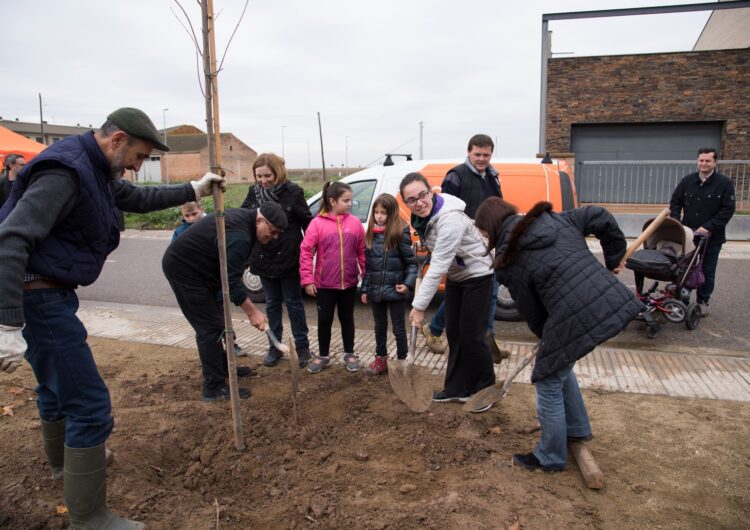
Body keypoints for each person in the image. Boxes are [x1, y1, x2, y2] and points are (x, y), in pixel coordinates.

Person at [0, 107, 224, 528]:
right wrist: (7, 322)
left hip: (50, 294)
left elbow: (137, 199)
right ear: (117, 139)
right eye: (139, 156)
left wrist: (192, 188)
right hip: (36, 298)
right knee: (90, 405)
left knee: (55, 388)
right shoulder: (65, 172)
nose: (139, 167)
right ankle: (90, 518)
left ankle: (64, 467)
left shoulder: (96, 170)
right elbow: (11, 236)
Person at [474, 197, 648, 471]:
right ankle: (576, 430)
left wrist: (546, 338)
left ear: (492, 228)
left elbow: (530, 310)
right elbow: (598, 215)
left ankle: (550, 456)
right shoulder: (553, 219)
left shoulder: (509, 260)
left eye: (483, 232)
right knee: (559, 368)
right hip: (606, 301)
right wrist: (613, 255)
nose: (484, 238)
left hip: (572, 315)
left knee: (547, 378)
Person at [162, 203, 286, 400]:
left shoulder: (246, 221)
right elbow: (231, 278)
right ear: (261, 221)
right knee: (208, 328)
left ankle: (223, 368)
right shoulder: (241, 235)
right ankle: (214, 387)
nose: (274, 237)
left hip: (202, 272)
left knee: (217, 323)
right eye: (273, 231)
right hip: (185, 271)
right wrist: (252, 312)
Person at [401, 172, 495, 410]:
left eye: (422, 195)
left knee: (473, 335)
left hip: (478, 275)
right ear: (406, 202)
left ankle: (485, 390)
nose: (419, 202)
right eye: (411, 200)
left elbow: (439, 266)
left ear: (431, 192)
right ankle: (457, 388)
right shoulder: (423, 218)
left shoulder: (450, 219)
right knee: (454, 333)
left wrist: (418, 306)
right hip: (457, 275)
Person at [422, 134, 504, 360]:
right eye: (477, 154)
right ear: (469, 152)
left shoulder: (492, 177)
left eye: (486, 155)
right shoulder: (456, 177)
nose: (481, 158)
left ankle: (486, 339)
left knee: (489, 294)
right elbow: (445, 211)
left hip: (489, 244)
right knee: (471, 294)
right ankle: (442, 330)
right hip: (466, 247)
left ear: (491, 154)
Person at [240, 153, 313, 368]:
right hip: (263, 257)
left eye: (267, 175)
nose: (263, 181)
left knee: (294, 304)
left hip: (289, 257)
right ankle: (275, 345)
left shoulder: (293, 192)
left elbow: (307, 223)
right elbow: (245, 218)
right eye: (258, 176)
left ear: (277, 172)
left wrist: (310, 250)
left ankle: (302, 347)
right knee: (272, 304)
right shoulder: (253, 193)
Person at [300, 181, 365, 374]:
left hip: (349, 283)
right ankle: (323, 355)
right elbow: (305, 251)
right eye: (346, 200)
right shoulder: (317, 224)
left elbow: (362, 252)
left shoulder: (354, 223)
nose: (349, 204)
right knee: (324, 319)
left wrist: (366, 276)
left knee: (347, 318)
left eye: (351, 200)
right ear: (332, 201)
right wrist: (308, 280)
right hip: (325, 284)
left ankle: (349, 353)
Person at [669, 147, 735, 316]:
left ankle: (703, 301)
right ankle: (683, 299)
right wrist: (677, 223)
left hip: (712, 237)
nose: (704, 163)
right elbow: (675, 202)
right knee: (684, 268)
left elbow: (727, 210)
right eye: (701, 160)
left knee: (707, 271)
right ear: (697, 161)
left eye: (708, 161)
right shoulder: (687, 181)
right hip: (689, 236)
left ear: (715, 162)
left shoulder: (724, 183)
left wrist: (709, 227)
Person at [360, 193, 417, 375]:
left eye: (383, 212)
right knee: (379, 327)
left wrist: (407, 285)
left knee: (399, 328)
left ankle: (402, 360)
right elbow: (368, 267)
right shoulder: (371, 235)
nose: (379, 216)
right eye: (376, 212)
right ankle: (381, 358)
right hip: (376, 290)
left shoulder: (399, 233)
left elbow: (411, 264)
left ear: (391, 213)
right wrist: (365, 288)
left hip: (395, 290)